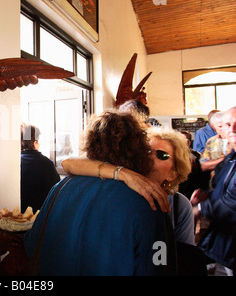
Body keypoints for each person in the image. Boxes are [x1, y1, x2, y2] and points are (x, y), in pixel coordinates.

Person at [24, 110, 176, 275]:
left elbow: (32, 245)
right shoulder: (149, 203)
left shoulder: (60, 188)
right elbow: (158, 267)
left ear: (90, 145)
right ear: (138, 148)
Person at [62, 126, 194, 245]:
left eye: (162, 155)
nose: (151, 157)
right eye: (147, 151)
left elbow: (182, 258)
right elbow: (68, 163)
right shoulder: (120, 187)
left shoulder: (178, 205)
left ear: (173, 173)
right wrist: (122, 173)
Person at [192, 106, 236, 275]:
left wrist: (202, 208)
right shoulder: (231, 159)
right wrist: (206, 197)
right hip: (225, 247)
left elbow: (232, 204)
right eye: (228, 124)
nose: (232, 129)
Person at [20, 124, 60, 212]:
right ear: (35, 143)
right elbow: (57, 192)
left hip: (18, 215)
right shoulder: (47, 164)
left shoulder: (15, 162)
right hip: (39, 217)